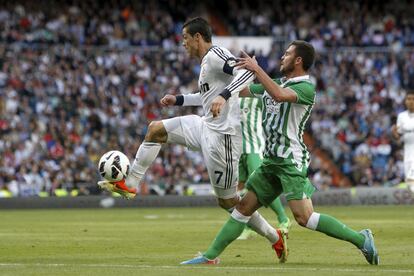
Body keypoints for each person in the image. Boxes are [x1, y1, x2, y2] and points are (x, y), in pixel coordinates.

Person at [98, 17, 287, 262]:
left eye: (185, 39)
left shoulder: (217, 55)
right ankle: (132, 183)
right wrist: (178, 100)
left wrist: (225, 95)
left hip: (224, 139)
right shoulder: (207, 62)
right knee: (155, 129)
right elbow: (206, 96)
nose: (183, 44)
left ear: (197, 37)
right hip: (205, 125)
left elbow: (248, 73)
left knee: (230, 202)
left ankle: (275, 237)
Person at [181, 40, 379, 265]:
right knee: (244, 207)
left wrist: (257, 69)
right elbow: (243, 91)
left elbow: (278, 95)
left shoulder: (305, 88)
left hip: (290, 160)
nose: (281, 57)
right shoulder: (277, 83)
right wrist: (225, 78)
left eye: (286, 54)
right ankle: (210, 257)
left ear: (298, 61)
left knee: (304, 218)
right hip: (271, 161)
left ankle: (361, 239)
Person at [237, 96, 291, 240]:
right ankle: (249, 227)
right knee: (240, 188)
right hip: (238, 151)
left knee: (260, 186)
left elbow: (276, 109)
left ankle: (283, 218)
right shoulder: (231, 98)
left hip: (254, 149)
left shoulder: (257, 99)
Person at [392, 91, 414, 191]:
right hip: (408, 149)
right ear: (405, 101)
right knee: (409, 180)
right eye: (408, 99)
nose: (411, 101)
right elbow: (398, 136)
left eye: (413, 99)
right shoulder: (401, 116)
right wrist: (394, 133)